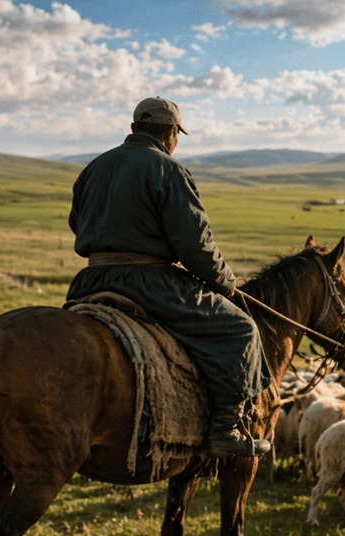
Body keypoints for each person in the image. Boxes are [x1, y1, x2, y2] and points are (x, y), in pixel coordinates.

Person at [66, 97, 271, 458]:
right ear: (170, 133)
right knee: (240, 330)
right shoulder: (169, 169)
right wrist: (225, 282)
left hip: (90, 280)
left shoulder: (94, 168)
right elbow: (195, 245)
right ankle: (225, 430)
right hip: (148, 283)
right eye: (177, 135)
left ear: (134, 129)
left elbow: (76, 224)